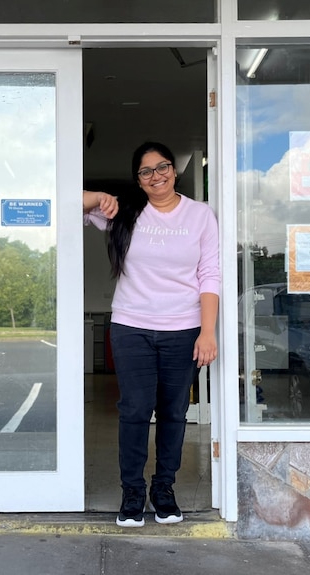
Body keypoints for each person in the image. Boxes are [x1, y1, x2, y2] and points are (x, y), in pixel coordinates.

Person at [83, 141, 220, 527]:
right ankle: (132, 491)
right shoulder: (125, 212)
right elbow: (63, 201)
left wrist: (207, 332)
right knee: (135, 411)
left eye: (162, 167)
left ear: (174, 171)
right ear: (138, 180)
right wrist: (99, 197)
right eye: (146, 171)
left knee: (174, 413)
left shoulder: (200, 215)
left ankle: (164, 489)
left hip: (184, 329)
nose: (156, 176)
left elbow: (210, 273)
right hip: (132, 328)